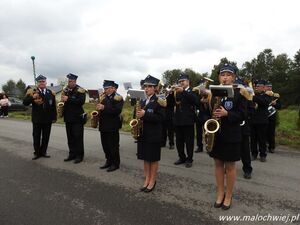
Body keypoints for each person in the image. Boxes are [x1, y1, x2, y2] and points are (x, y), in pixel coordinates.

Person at [209, 64, 247, 210]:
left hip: (232, 135)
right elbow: (207, 112)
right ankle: (220, 193)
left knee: (230, 166)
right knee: (218, 164)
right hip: (216, 134)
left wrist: (228, 114)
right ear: (219, 77)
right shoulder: (213, 93)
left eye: (228, 75)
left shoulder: (240, 93)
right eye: (222, 75)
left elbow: (244, 114)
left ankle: (228, 195)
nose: (225, 77)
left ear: (233, 77)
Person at [136, 75, 166, 193]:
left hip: (154, 134)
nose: (146, 88)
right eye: (145, 86)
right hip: (143, 134)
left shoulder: (160, 101)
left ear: (155, 88)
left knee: (153, 159)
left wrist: (145, 115)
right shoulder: (142, 101)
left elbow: (161, 118)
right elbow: (138, 115)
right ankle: (147, 179)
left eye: (149, 86)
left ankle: (152, 180)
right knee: (145, 158)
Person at [23, 75, 57, 160]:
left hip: (47, 119)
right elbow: (25, 103)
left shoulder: (51, 93)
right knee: (36, 136)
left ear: (46, 82)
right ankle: (37, 153)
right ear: (37, 83)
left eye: (43, 81)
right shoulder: (32, 92)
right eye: (40, 82)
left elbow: (53, 106)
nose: (42, 83)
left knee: (46, 137)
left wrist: (54, 117)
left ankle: (43, 152)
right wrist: (32, 97)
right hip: (37, 119)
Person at [97, 80, 124, 172]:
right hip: (103, 124)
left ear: (113, 88)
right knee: (105, 145)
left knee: (113, 146)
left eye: (107, 88)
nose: (105, 90)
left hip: (112, 125)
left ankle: (115, 163)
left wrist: (104, 107)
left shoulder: (118, 98)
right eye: (104, 88)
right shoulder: (103, 97)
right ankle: (108, 161)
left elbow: (117, 111)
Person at [173, 73, 198, 168]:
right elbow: (173, 103)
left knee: (189, 141)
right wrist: (171, 93)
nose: (181, 83)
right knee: (179, 141)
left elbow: (195, 101)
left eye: (183, 81)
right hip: (178, 119)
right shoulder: (177, 92)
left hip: (188, 120)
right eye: (179, 82)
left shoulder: (193, 91)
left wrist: (183, 91)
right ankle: (181, 157)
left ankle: (189, 159)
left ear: (188, 82)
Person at [62, 73, 86, 164]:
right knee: (70, 138)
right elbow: (64, 101)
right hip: (68, 117)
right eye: (68, 81)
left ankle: (79, 156)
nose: (69, 82)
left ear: (75, 81)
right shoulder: (66, 89)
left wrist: (68, 99)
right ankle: (71, 154)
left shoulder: (81, 90)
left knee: (78, 138)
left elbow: (80, 102)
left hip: (77, 118)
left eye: (71, 81)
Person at [250, 80, 271, 162]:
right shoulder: (254, 95)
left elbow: (264, 102)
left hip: (262, 121)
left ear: (263, 87)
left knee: (262, 139)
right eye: (256, 86)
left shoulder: (267, 95)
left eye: (258, 86)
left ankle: (263, 155)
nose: (257, 87)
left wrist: (253, 97)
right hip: (253, 120)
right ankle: (254, 154)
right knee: (253, 139)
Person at [265, 82, 281, 153]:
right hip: (264, 116)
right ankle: (263, 146)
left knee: (271, 132)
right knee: (263, 132)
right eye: (268, 86)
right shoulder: (263, 95)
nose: (269, 88)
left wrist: (275, 104)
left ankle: (271, 147)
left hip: (272, 116)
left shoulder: (275, 96)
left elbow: (280, 106)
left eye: (270, 87)